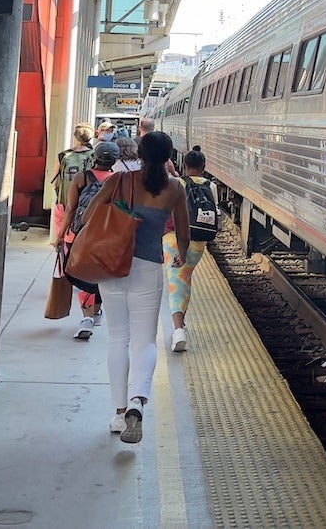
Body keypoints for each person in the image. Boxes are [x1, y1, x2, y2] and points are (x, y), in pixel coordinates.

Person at [100, 130, 188, 444]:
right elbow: (182, 230)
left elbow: (88, 215)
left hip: (112, 267)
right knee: (144, 341)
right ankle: (138, 401)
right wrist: (181, 255)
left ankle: (119, 412)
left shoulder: (119, 182)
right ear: (169, 156)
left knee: (117, 339)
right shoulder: (175, 187)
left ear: (139, 151)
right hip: (149, 269)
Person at [60, 138, 124, 340]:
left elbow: (71, 208)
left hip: (80, 234)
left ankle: (87, 318)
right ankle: (96, 311)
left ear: (94, 158)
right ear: (115, 160)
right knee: (100, 274)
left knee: (83, 274)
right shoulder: (119, 180)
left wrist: (61, 235)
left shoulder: (81, 177)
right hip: (107, 235)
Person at [164, 146, 211, 352]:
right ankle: (181, 324)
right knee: (185, 280)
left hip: (174, 240)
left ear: (184, 165)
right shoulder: (212, 186)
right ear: (204, 167)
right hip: (199, 242)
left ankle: (178, 331)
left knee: (176, 283)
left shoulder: (176, 183)